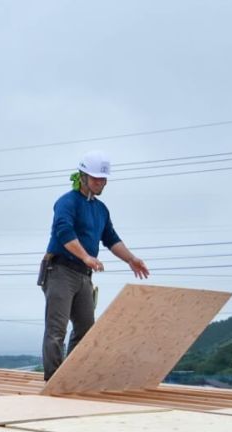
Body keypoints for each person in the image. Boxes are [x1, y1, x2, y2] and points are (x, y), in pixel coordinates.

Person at [39, 150, 150, 380]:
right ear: (82, 176)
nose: (100, 182)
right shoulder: (67, 202)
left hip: (83, 275)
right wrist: (86, 256)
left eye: (103, 179)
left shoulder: (100, 209)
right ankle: (53, 379)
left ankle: (71, 375)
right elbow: (64, 231)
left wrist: (131, 258)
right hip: (60, 270)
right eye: (96, 178)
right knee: (56, 329)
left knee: (85, 328)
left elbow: (110, 238)